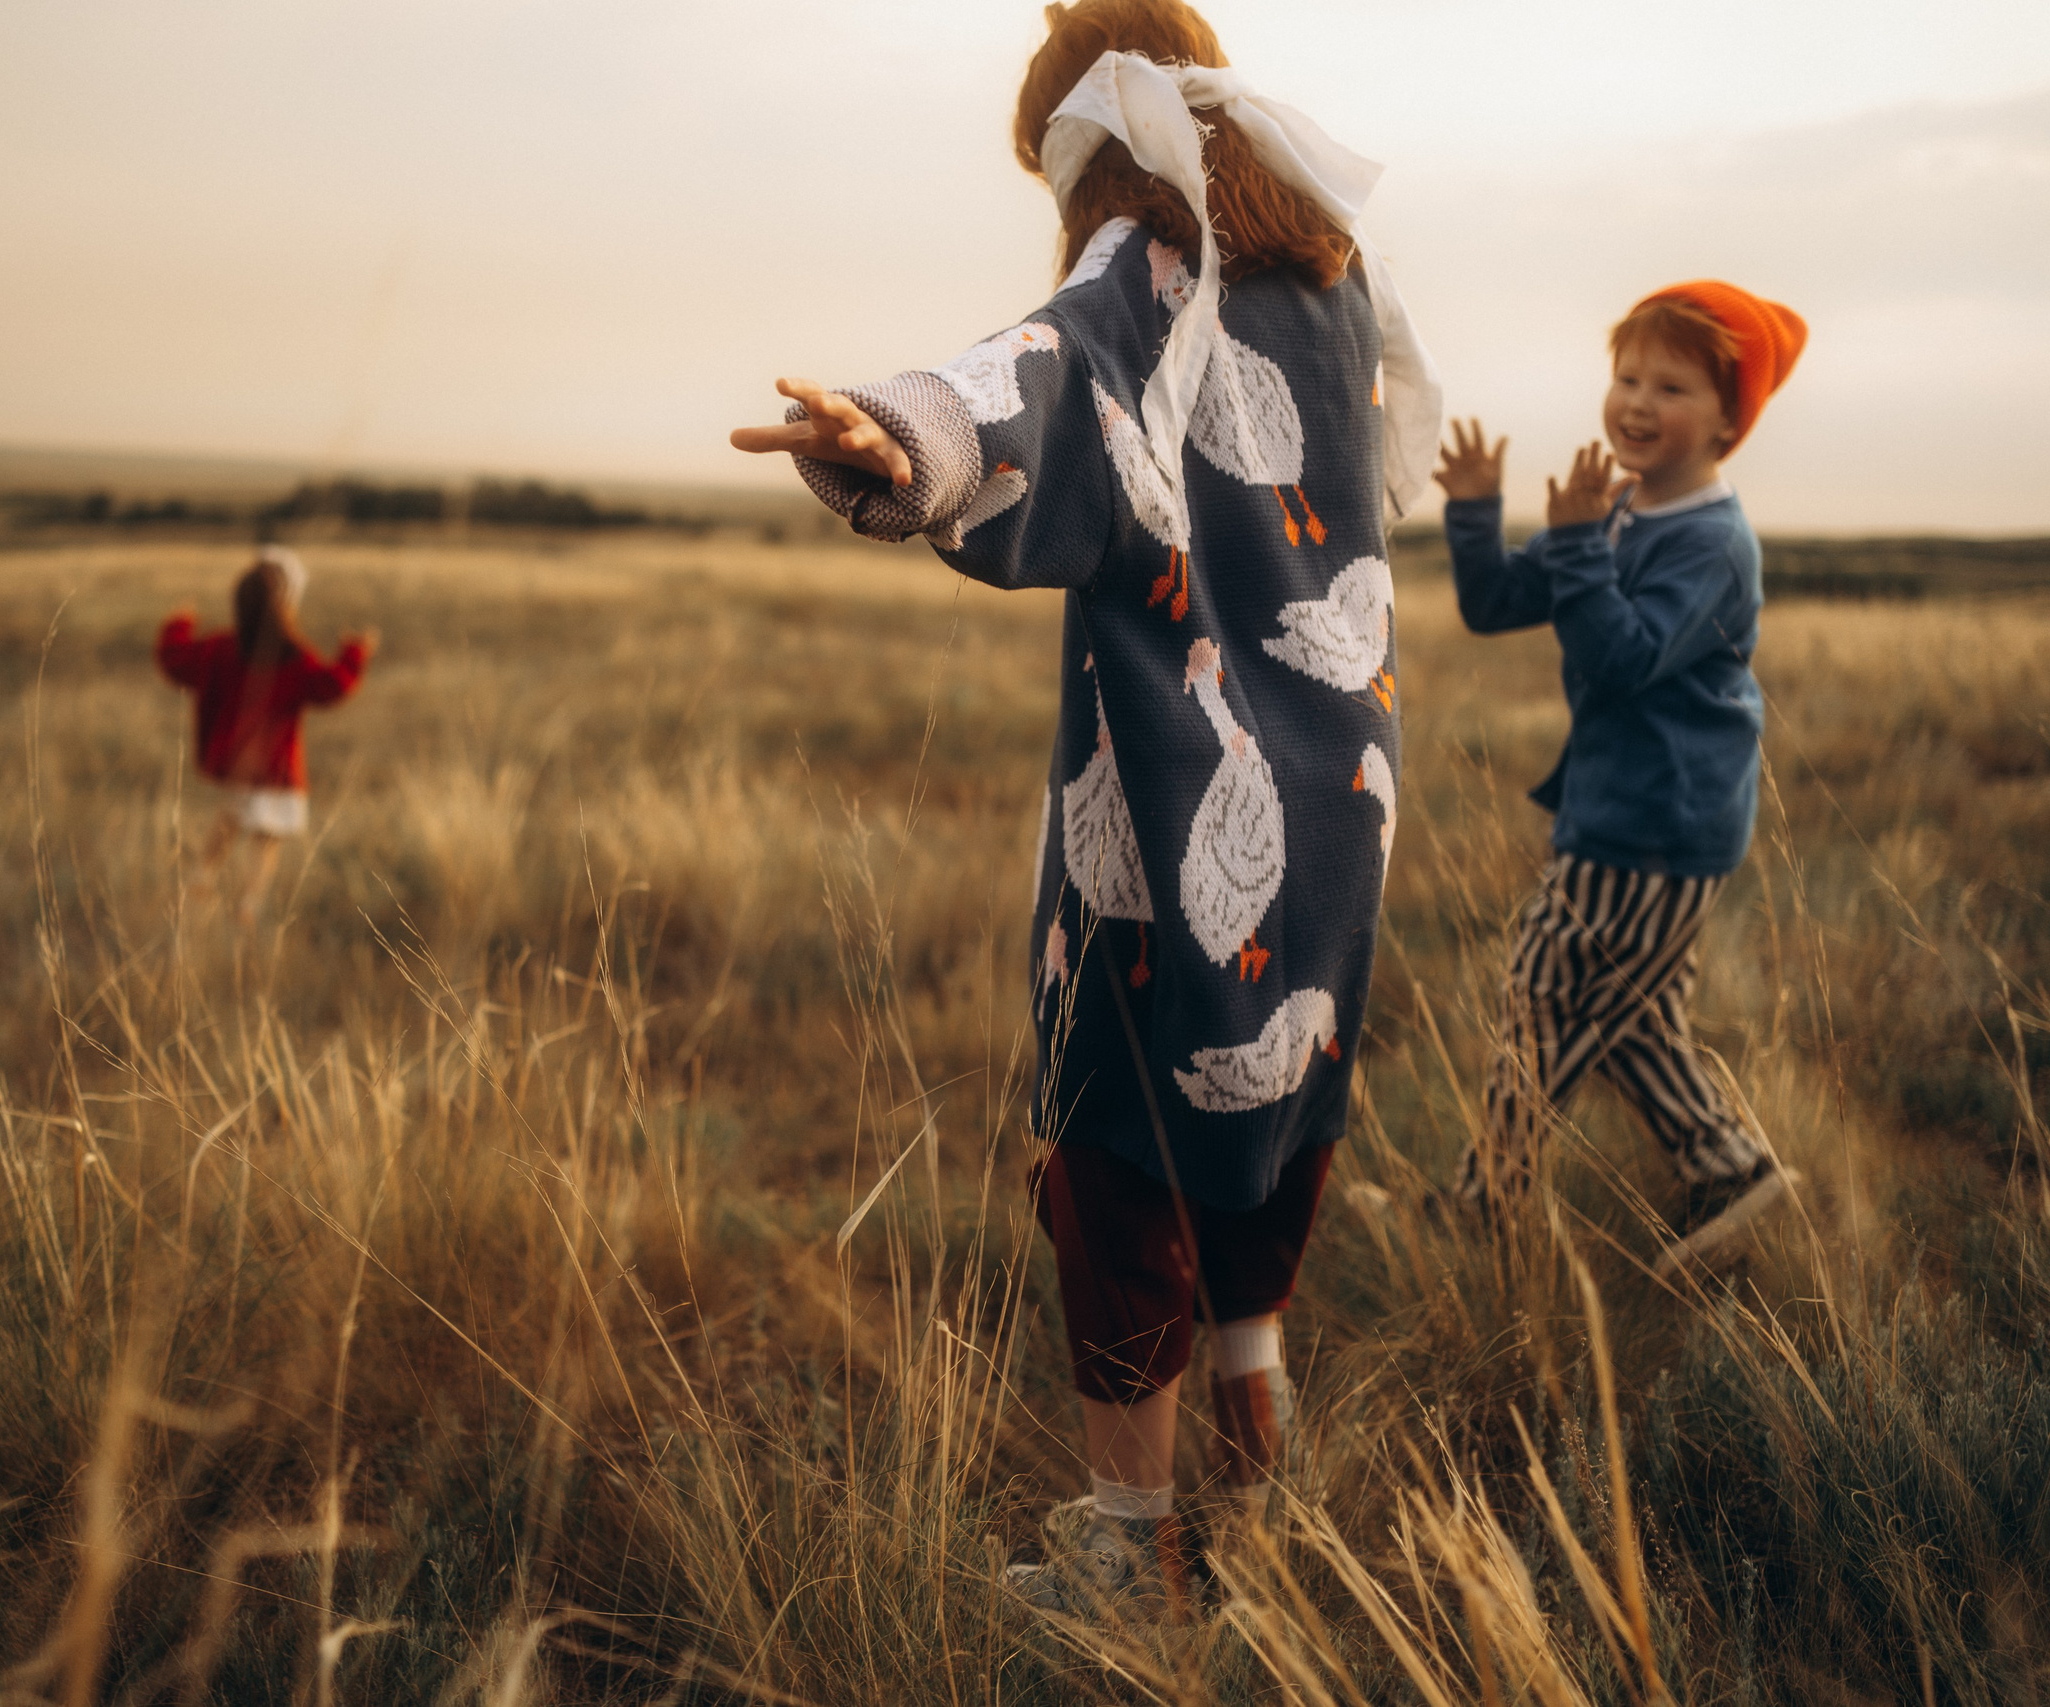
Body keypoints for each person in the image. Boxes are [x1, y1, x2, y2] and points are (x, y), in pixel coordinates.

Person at [731, 0, 1440, 1618]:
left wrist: (890, 434)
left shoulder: (1140, 266)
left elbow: (1027, 383)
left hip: (1173, 799)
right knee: (1277, 1116)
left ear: (1086, 145)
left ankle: (1134, 1554)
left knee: (1118, 1145)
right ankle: (1266, 1475)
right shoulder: (1331, 286)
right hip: (1345, 797)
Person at [1433, 281, 1807, 1255]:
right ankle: (1730, 1173)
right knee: (1630, 1021)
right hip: (1630, 813)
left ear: (1731, 419)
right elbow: (1496, 604)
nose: (1637, 403)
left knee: (1539, 996)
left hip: (1653, 823)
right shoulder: (1621, 512)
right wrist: (1477, 513)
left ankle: (1484, 1211)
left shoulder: (1714, 546)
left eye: (1671, 388)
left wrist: (1574, 544)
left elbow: (1626, 657)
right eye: (1627, 377)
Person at [155, 546, 377, 921]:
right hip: (277, 771)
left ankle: (203, 875)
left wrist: (178, 625)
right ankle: (248, 906)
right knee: (266, 842)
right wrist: (354, 653)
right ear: (287, 605)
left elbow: (175, 661)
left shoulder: (220, 648)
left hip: (236, 763)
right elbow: (332, 686)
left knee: (228, 819)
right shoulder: (293, 658)